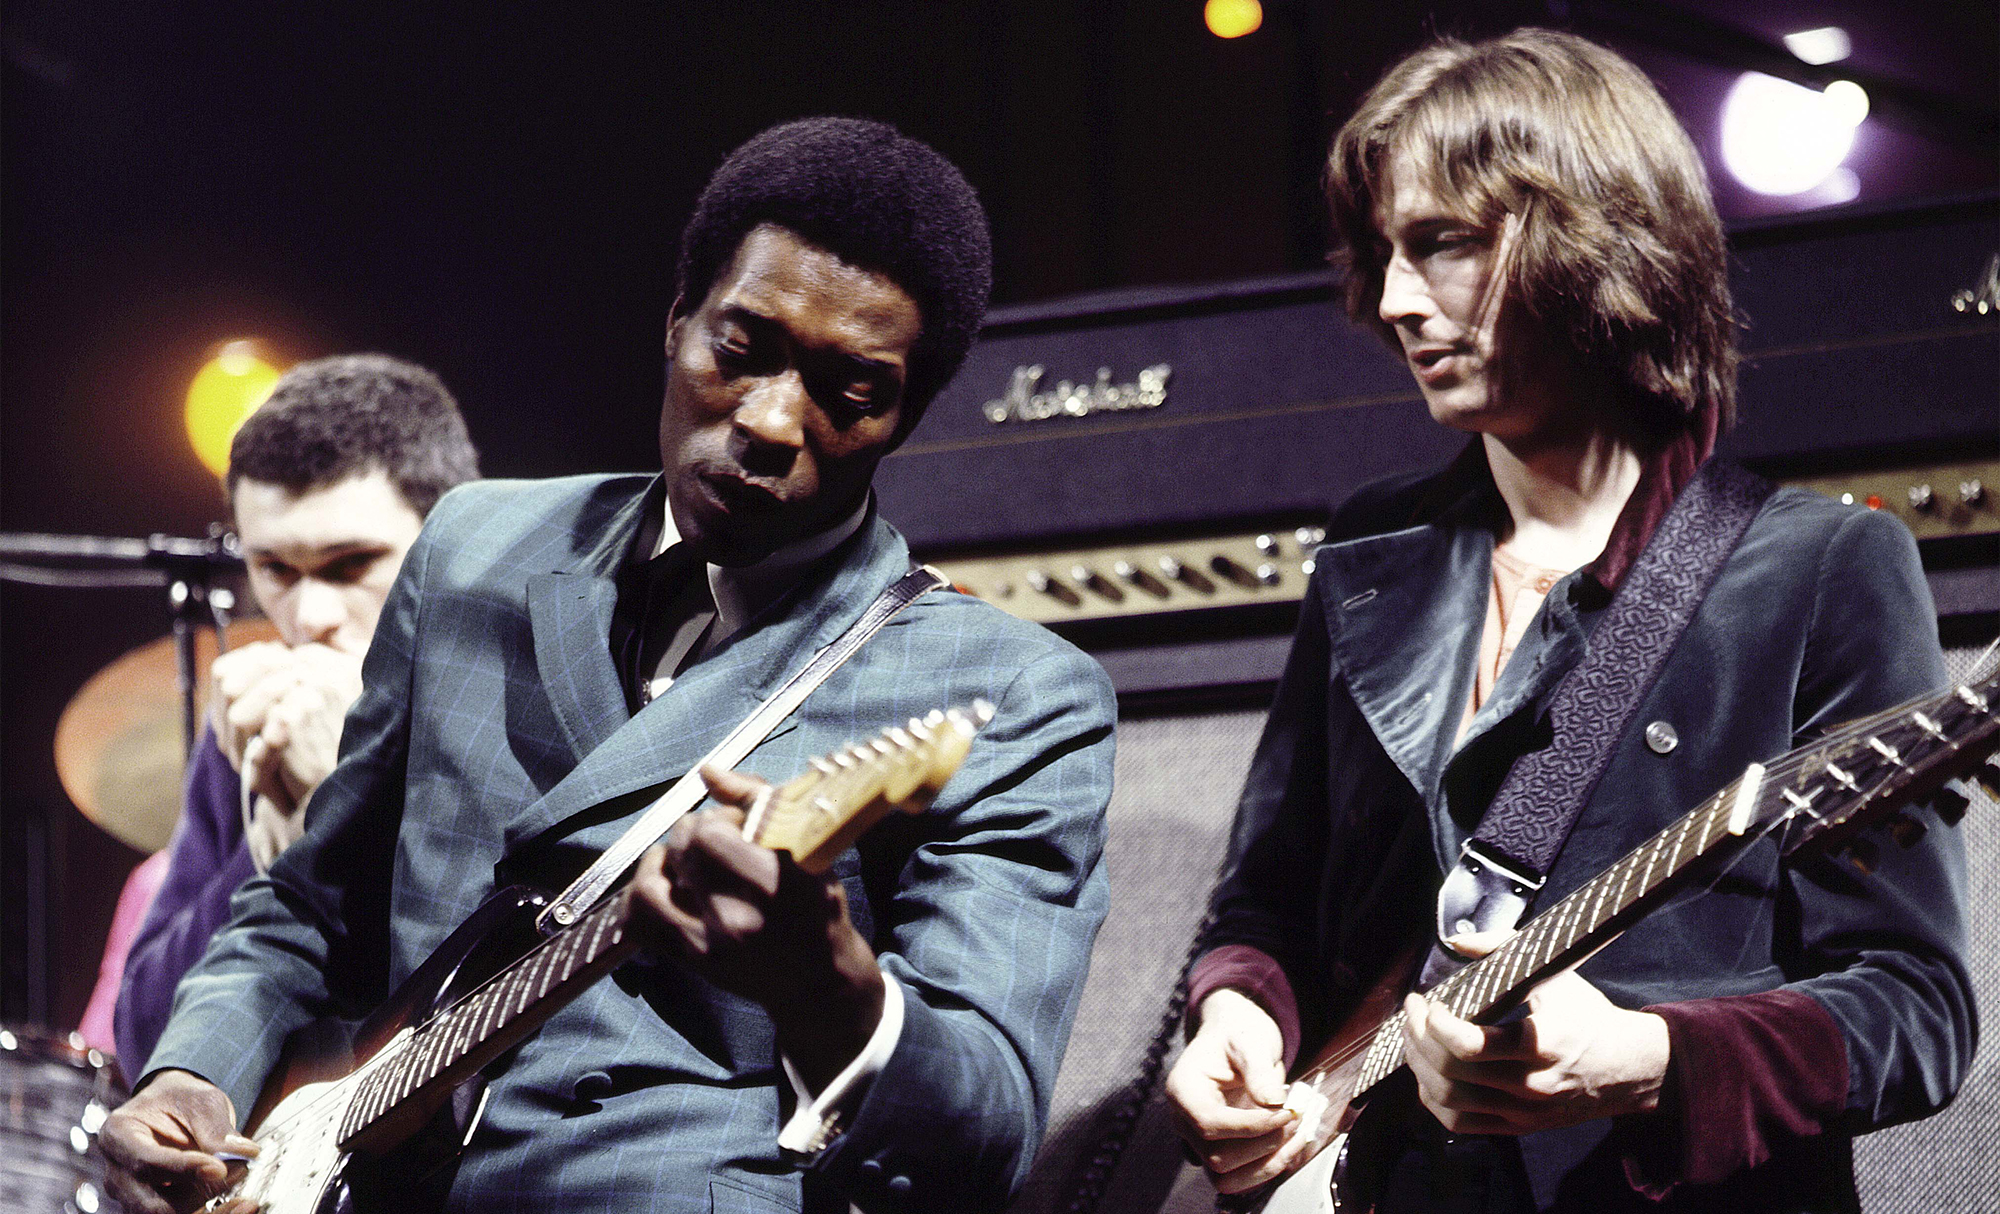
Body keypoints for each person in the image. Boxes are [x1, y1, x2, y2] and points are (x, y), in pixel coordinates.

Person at [102, 117, 1117, 1214]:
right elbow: (307, 904)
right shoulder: (473, 546)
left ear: (903, 417)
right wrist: (195, 1072)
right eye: (739, 347)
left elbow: (987, 1137)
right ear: (675, 321)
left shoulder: (1014, 692)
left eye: (848, 391)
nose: (773, 419)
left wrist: (832, 991)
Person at [1165, 29, 1972, 1213]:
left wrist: (1643, 1060)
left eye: (1439, 245)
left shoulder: (1824, 567)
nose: (1392, 299)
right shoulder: (1368, 560)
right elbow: (1265, 904)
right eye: (1384, 250)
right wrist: (1235, 1010)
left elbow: (1914, 1007)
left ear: (1591, 242)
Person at [110, 353, 481, 1074]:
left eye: (351, 565)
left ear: (454, 542)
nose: (309, 616)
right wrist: (273, 854)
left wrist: (343, 818)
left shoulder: (511, 699)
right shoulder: (251, 730)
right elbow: (142, 1040)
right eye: (274, 569)